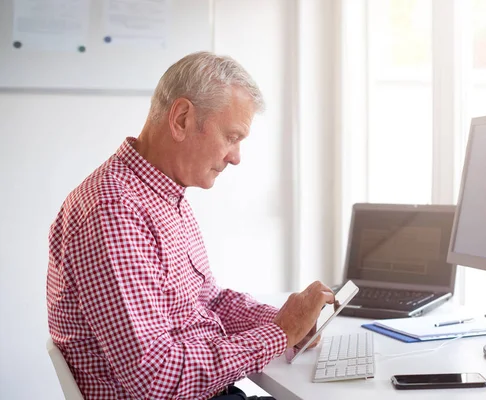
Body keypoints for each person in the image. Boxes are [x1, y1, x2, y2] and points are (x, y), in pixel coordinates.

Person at [46, 51, 335, 400]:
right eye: (231, 137)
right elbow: (158, 379)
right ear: (182, 119)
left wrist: (289, 321)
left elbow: (208, 302)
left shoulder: (163, 195)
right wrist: (279, 332)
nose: (236, 156)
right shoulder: (114, 211)